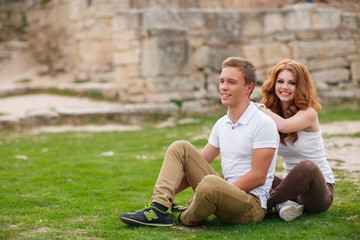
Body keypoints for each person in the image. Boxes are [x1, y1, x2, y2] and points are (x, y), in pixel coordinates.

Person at [119, 57, 279, 227]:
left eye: (231, 82)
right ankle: (158, 210)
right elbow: (195, 164)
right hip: (222, 194)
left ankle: (185, 217)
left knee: (211, 183)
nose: (224, 87)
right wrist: (165, 198)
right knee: (180, 147)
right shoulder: (221, 124)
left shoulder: (263, 123)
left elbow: (258, 177)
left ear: (249, 88)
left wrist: (216, 189)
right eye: (222, 81)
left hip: (251, 205)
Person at [258, 58, 335, 222]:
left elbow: (284, 126)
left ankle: (262, 205)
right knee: (259, 172)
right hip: (291, 188)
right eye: (280, 81)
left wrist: (259, 109)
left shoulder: (309, 112)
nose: (284, 87)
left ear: (300, 86)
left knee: (307, 166)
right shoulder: (271, 112)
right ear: (274, 84)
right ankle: (284, 205)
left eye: (292, 83)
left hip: (318, 192)